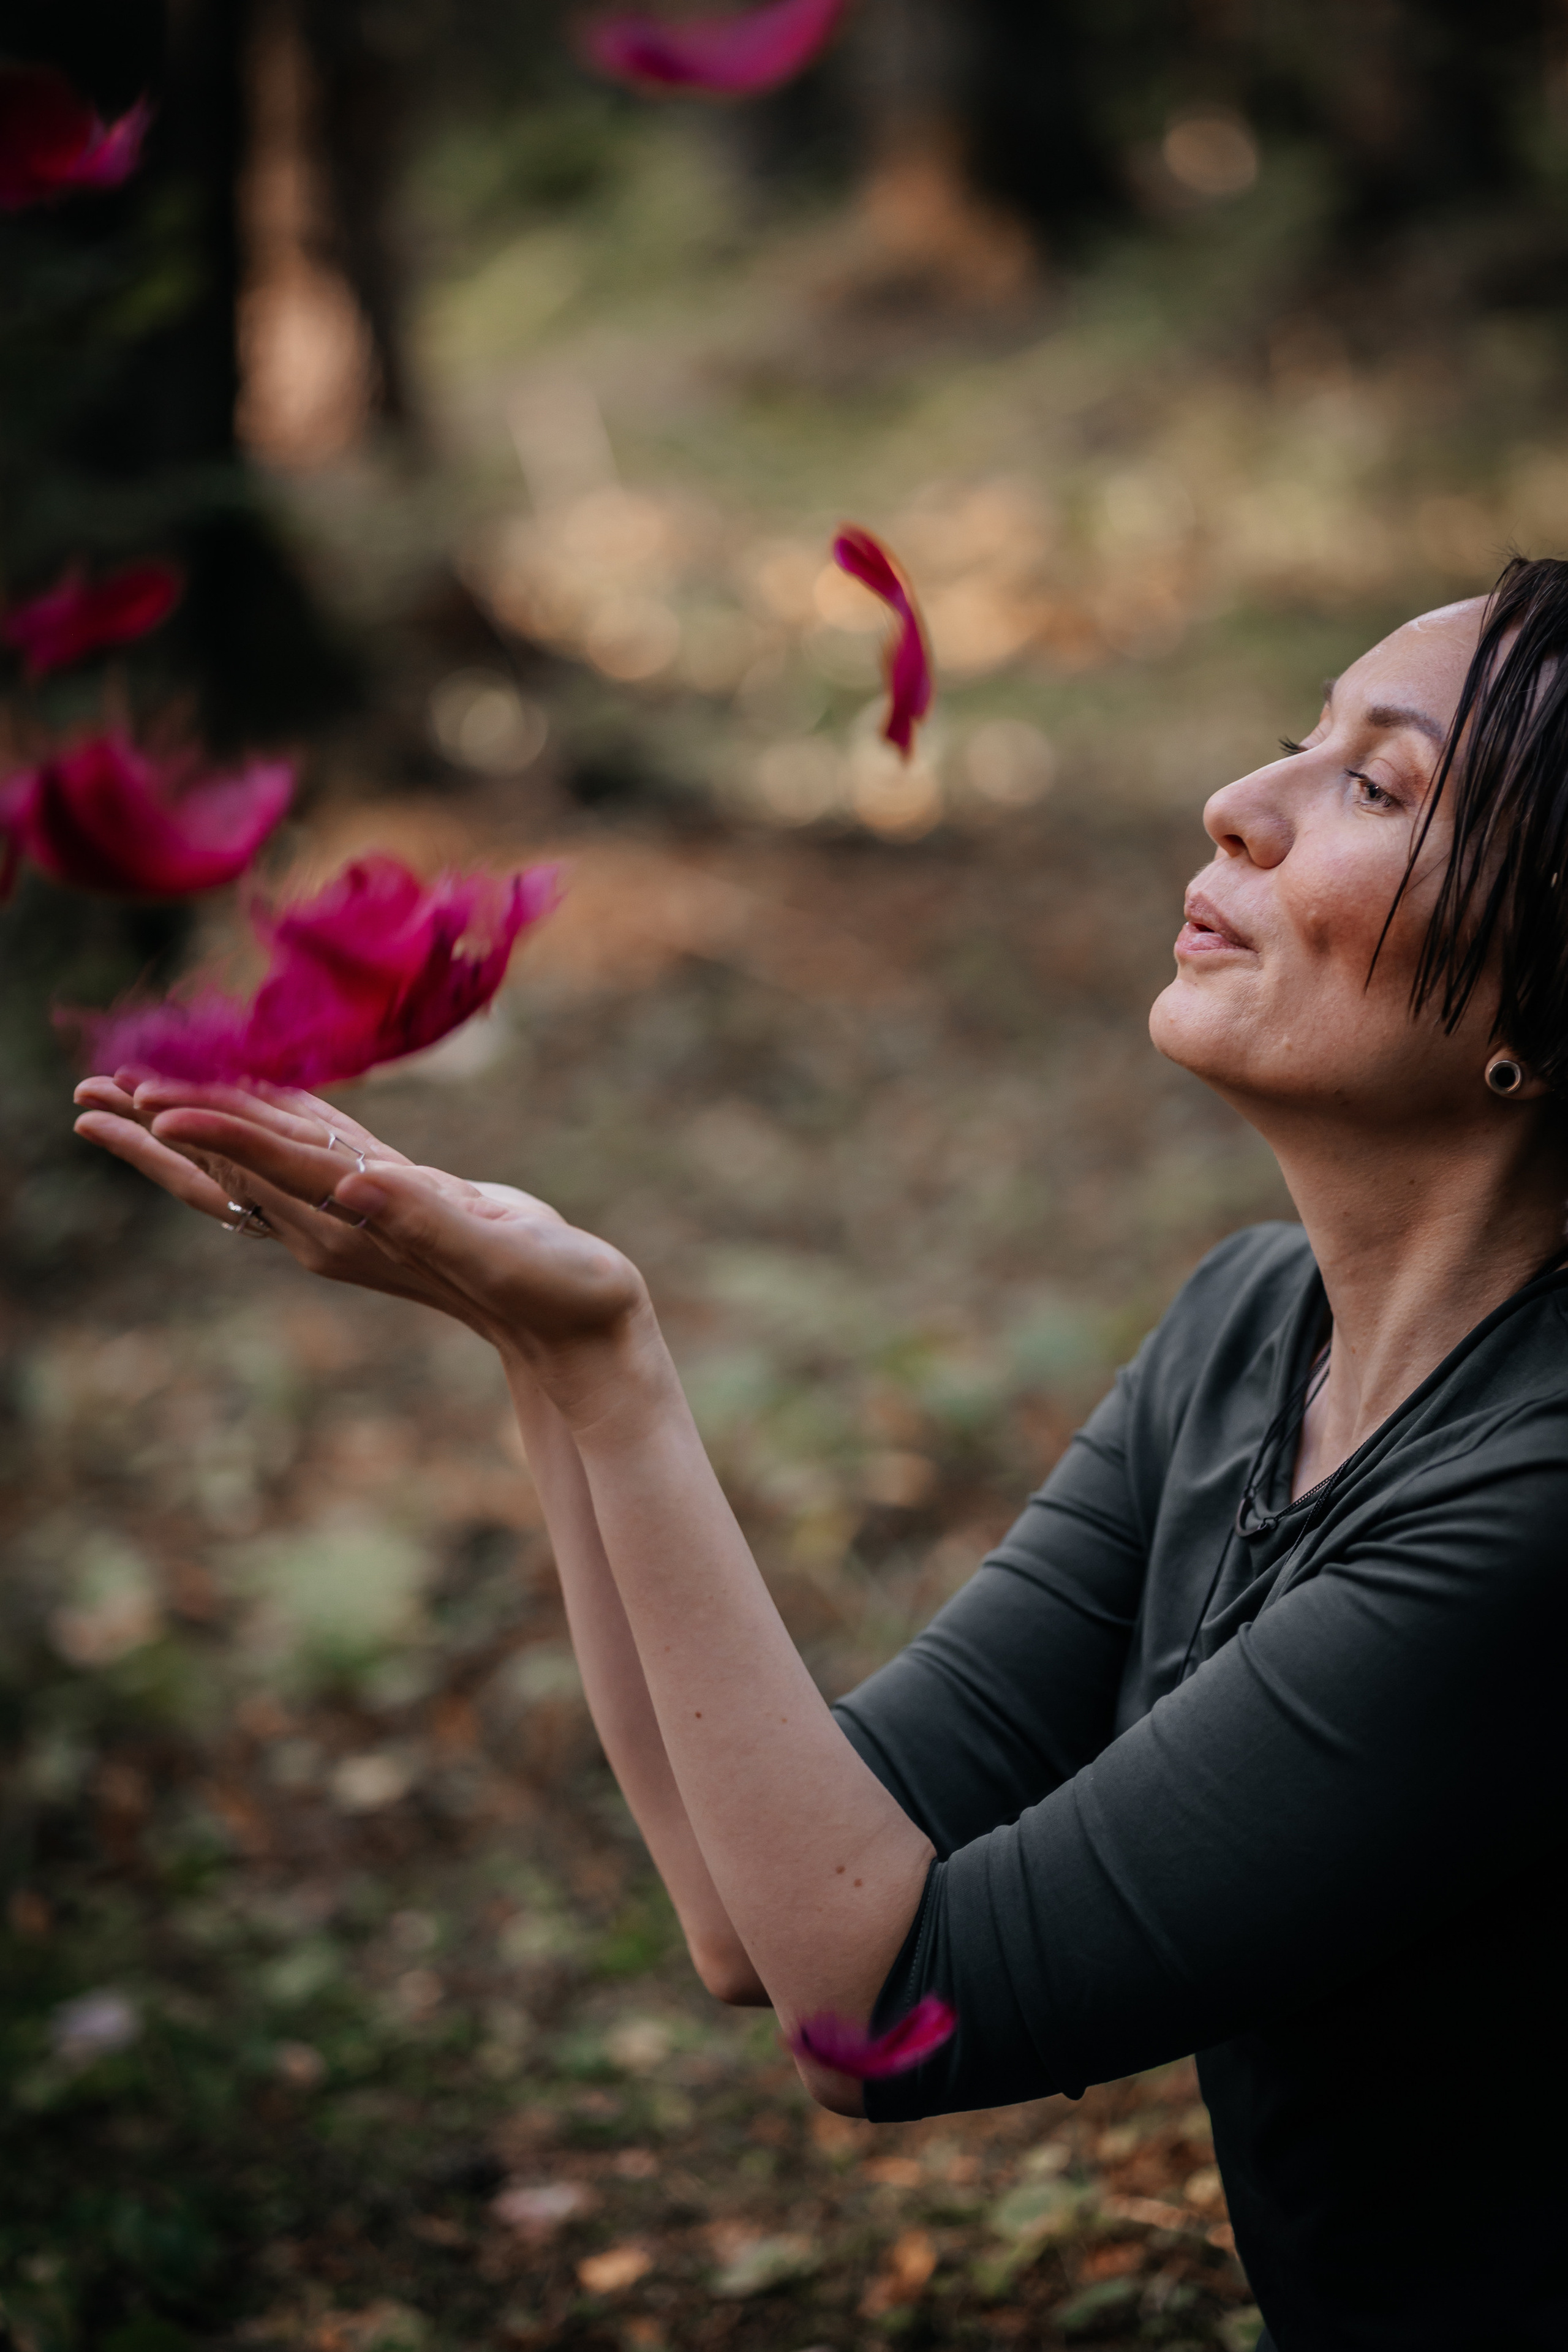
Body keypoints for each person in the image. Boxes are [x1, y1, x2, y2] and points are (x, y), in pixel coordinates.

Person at [74, 556, 1568, 2351]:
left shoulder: (1539, 1506)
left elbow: (884, 1999)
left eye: (1375, 783)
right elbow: (754, 1913)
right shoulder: (1249, 1335)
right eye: (1290, 743)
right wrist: (533, 1350)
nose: (1236, 809)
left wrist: (608, 1363)